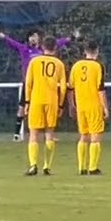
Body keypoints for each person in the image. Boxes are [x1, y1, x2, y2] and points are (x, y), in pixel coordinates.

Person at [0, 22, 79, 141]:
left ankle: (49, 134)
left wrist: (72, 37)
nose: (33, 38)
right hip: (29, 84)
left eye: (35, 36)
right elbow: (9, 41)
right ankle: (17, 134)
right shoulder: (24, 49)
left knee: (47, 108)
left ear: (39, 38)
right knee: (22, 108)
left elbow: (59, 42)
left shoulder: (44, 49)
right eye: (31, 36)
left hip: (44, 85)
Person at [22, 36, 67, 176]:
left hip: (36, 99)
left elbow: (28, 83)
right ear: (55, 48)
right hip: (52, 100)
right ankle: (47, 166)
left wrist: (27, 102)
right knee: (49, 133)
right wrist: (60, 105)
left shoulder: (34, 62)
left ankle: (33, 165)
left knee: (34, 133)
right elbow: (64, 87)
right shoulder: (59, 64)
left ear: (42, 47)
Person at [68, 41, 110, 175]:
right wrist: (106, 108)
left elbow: (70, 88)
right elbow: (100, 90)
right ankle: (93, 167)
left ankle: (81, 167)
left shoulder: (76, 66)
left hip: (81, 105)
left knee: (83, 136)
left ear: (85, 52)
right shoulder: (98, 66)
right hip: (94, 105)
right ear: (97, 51)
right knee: (95, 137)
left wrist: (71, 105)